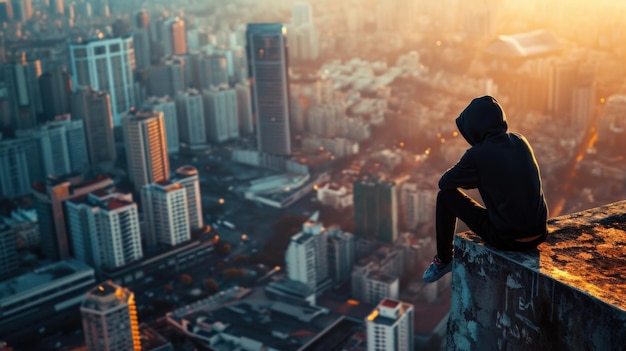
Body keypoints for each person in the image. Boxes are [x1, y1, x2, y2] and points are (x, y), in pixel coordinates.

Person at [422, 95, 548, 283]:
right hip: (540, 231)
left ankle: (444, 259)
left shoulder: (477, 155)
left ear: (473, 129)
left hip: (509, 239)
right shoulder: (521, 141)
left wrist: (474, 176)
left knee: (445, 197)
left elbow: (445, 183)